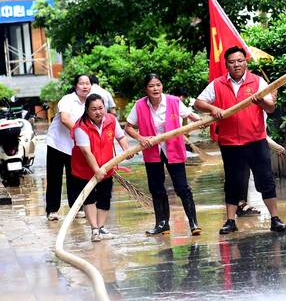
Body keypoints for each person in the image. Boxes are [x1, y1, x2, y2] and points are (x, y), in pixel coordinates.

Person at [195, 46, 286, 234]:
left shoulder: (258, 82)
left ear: (245, 62)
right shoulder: (217, 84)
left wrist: (261, 101)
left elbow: (270, 108)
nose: (236, 64)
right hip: (230, 143)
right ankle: (230, 221)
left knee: (265, 180)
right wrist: (213, 109)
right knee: (232, 182)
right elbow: (198, 103)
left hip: (255, 140)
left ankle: (275, 219)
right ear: (226, 64)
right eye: (232, 62)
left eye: (240, 61)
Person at [125, 73, 202, 236]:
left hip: (173, 148)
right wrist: (140, 138)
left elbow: (189, 115)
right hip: (152, 149)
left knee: (182, 187)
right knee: (156, 188)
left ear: (162, 86)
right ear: (146, 89)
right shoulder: (139, 105)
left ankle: (194, 223)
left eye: (158, 85)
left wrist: (201, 121)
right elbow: (129, 127)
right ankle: (162, 223)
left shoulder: (174, 101)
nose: (155, 89)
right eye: (151, 86)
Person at [71, 94, 130, 242]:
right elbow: (86, 151)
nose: (98, 112)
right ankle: (94, 229)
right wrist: (96, 170)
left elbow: (121, 137)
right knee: (89, 199)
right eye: (93, 109)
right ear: (87, 110)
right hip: (84, 170)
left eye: (100, 108)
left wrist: (126, 150)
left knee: (105, 197)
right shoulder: (80, 127)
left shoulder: (110, 120)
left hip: (107, 167)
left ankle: (101, 227)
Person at [45, 74, 92, 221]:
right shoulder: (67, 100)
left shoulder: (90, 102)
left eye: (87, 83)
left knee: (75, 178)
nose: (85, 86)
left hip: (74, 146)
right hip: (57, 144)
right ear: (75, 86)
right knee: (55, 177)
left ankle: (76, 208)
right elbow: (65, 119)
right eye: (81, 83)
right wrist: (81, 133)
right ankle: (52, 210)